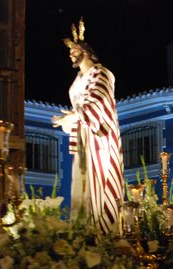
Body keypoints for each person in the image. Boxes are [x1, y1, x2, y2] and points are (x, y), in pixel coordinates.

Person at [52, 18, 124, 234]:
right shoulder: (78, 81)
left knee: (99, 184)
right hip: (84, 138)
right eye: (70, 52)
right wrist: (72, 118)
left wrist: (75, 116)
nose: (71, 54)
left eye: (74, 50)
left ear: (86, 50)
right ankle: (84, 231)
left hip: (100, 137)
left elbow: (99, 101)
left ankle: (104, 232)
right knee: (82, 183)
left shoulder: (102, 74)